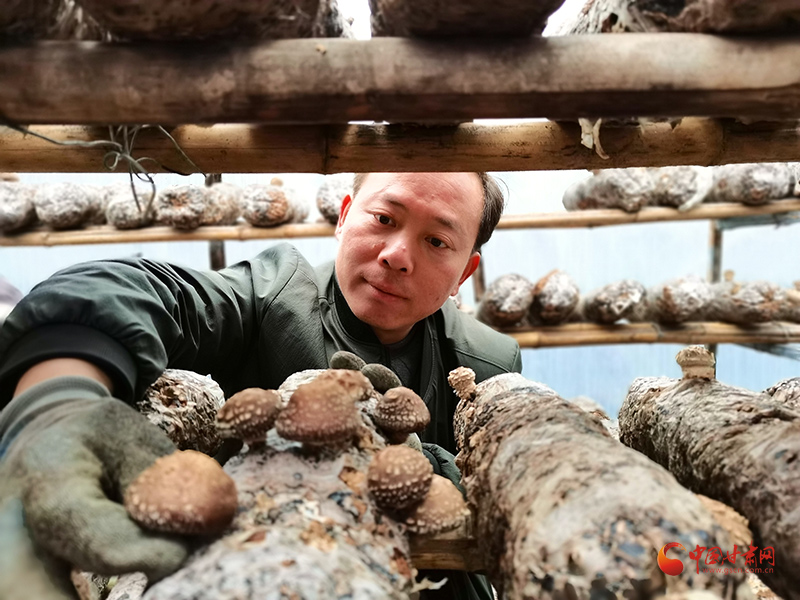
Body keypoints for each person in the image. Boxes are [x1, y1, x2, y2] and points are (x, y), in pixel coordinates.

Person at [0, 172, 522, 600]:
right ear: (343, 217)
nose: (397, 255)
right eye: (384, 219)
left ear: (465, 270)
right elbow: (132, 290)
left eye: (437, 241)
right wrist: (54, 402)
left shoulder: (487, 361)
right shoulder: (273, 294)